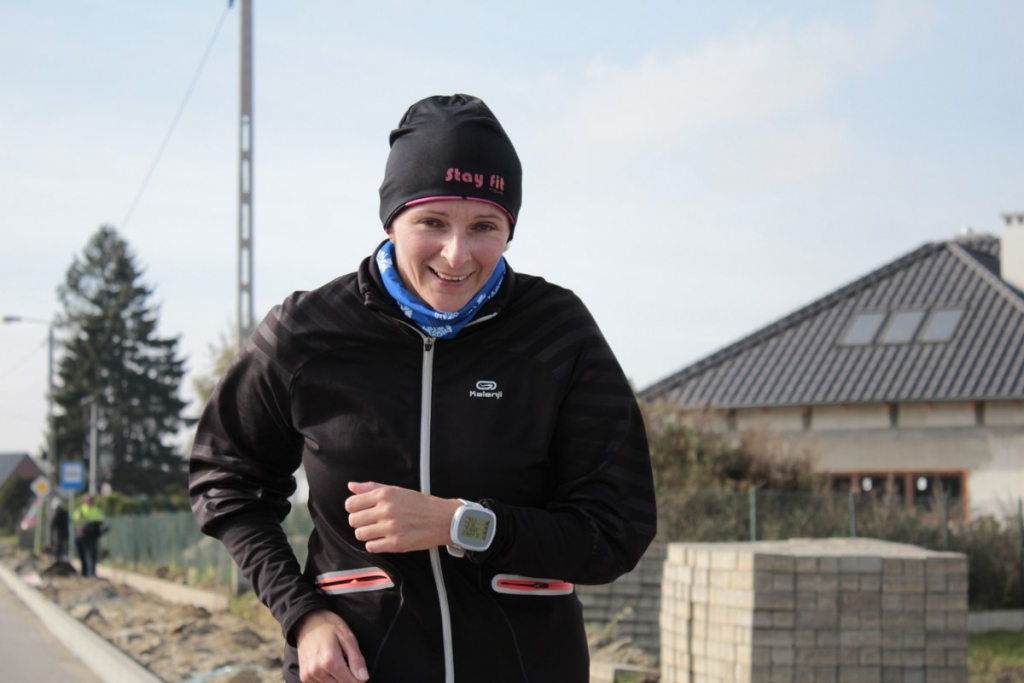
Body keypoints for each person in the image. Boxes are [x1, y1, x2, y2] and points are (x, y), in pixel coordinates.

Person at [189, 94, 657, 683]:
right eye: (431, 223)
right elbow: (226, 480)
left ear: (510, 230)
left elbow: (616, 531)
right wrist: (301, 614)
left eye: (484, 226)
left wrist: (461, 522)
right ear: (391, 221)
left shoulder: (557, 334)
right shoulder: (305, 333)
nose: (456, 255)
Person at [73, 494, 105, 577]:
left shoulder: (96, 510)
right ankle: (85, 573)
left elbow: (101, 523)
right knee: (83, 555)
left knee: (91, 555)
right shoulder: (80, 510)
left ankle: (91, 573)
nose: (89, 502)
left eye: (91, 500)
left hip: (92, 536)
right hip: (82, 537)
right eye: (88, 500)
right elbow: (75, 522)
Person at [49, 497, 70, 562]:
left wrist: (52, 539)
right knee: (62, 552)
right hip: (63, 536)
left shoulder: (56, 515)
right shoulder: (65, 514)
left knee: (59, 552)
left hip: (59, 536)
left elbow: (52, 527)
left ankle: (60, 562)